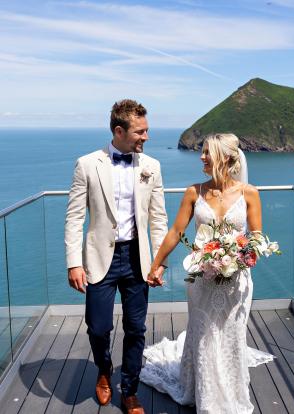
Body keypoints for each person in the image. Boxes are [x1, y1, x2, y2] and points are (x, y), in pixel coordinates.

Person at [140, 133, 274, 414]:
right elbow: (176, 232)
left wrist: (242, 258)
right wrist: (156, 264)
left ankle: (231, 391)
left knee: (232, 333)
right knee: (203, 332)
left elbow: (257, 237)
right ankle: (202, 391)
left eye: (206, 152)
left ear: (225, 157)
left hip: (236, 280)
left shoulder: (249, 193)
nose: (201, 157)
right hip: (202, 279)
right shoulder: (194, 192)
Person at [65, 99, 168, 414]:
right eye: (141, 131)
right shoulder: (87, 164)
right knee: (98, 327)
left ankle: (131, 391)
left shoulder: (152, 166)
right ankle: (104, 370)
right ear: (119, 130)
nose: (146, 137)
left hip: (138, 257)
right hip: (99, 260)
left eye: (147, 130)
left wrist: (159, 261)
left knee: (137, 328)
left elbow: (158, 219)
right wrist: (73, 262)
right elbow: (74, 217)